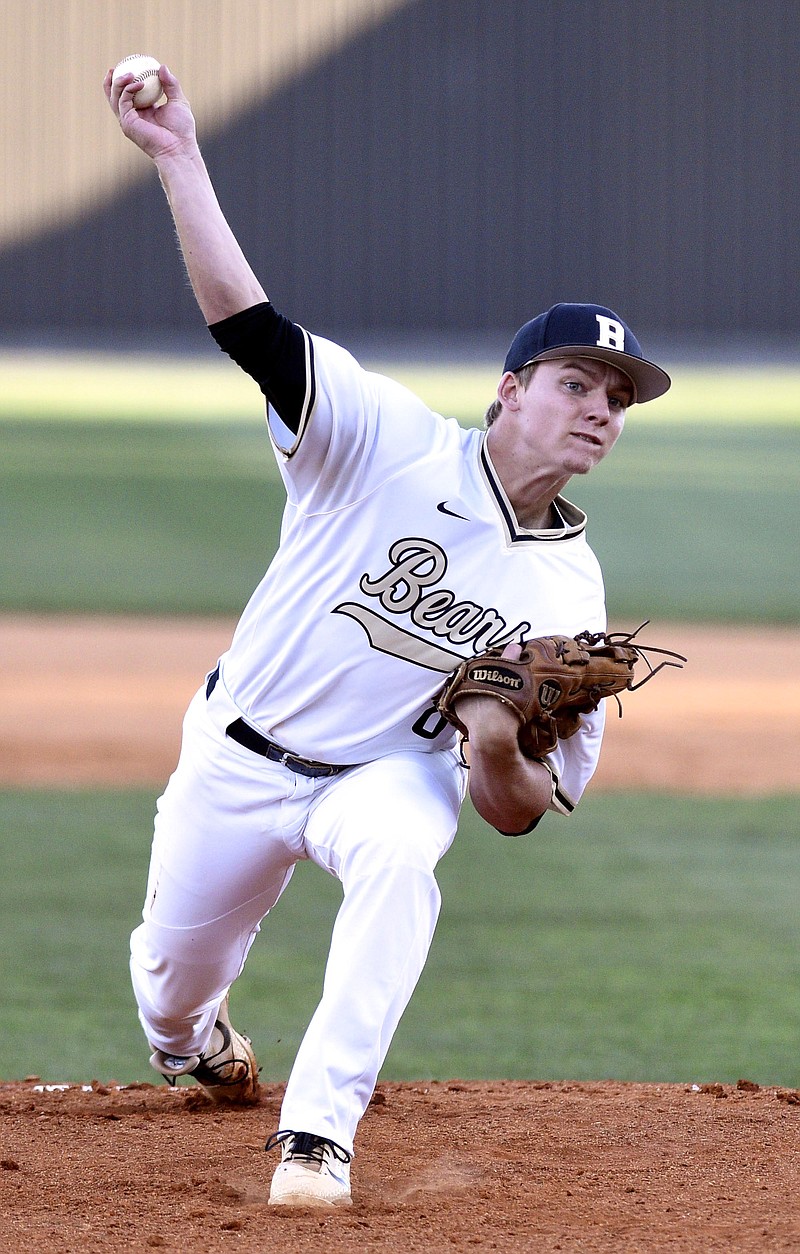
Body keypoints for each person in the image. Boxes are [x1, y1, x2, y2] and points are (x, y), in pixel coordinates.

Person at [105, 64, 671, 1208]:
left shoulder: (572, 593)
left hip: (384, 775)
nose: (601, 408)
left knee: (405, 862)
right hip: (236, 751)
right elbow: (248, 326)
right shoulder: (384, 441)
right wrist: (177, 158)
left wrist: (493, 737)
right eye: (578, 381)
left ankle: (317, 1135)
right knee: (168, 989)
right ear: (511, 390)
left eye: (617, 396)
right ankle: (196, 1039)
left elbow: (515, 813)